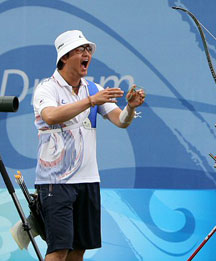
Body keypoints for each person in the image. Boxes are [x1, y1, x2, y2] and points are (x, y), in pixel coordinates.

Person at [31, 30, 145, 261]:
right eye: (80, 50)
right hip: (56, 182)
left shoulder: (92, 88)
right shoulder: (47, 88)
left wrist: (130, 107)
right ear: (64, 57)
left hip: (88, 180)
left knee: (78, 250)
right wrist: (91, 101)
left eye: (88, 50)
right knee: (58, 250)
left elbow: (120, 121)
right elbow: (51, 116)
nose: (87, 54)